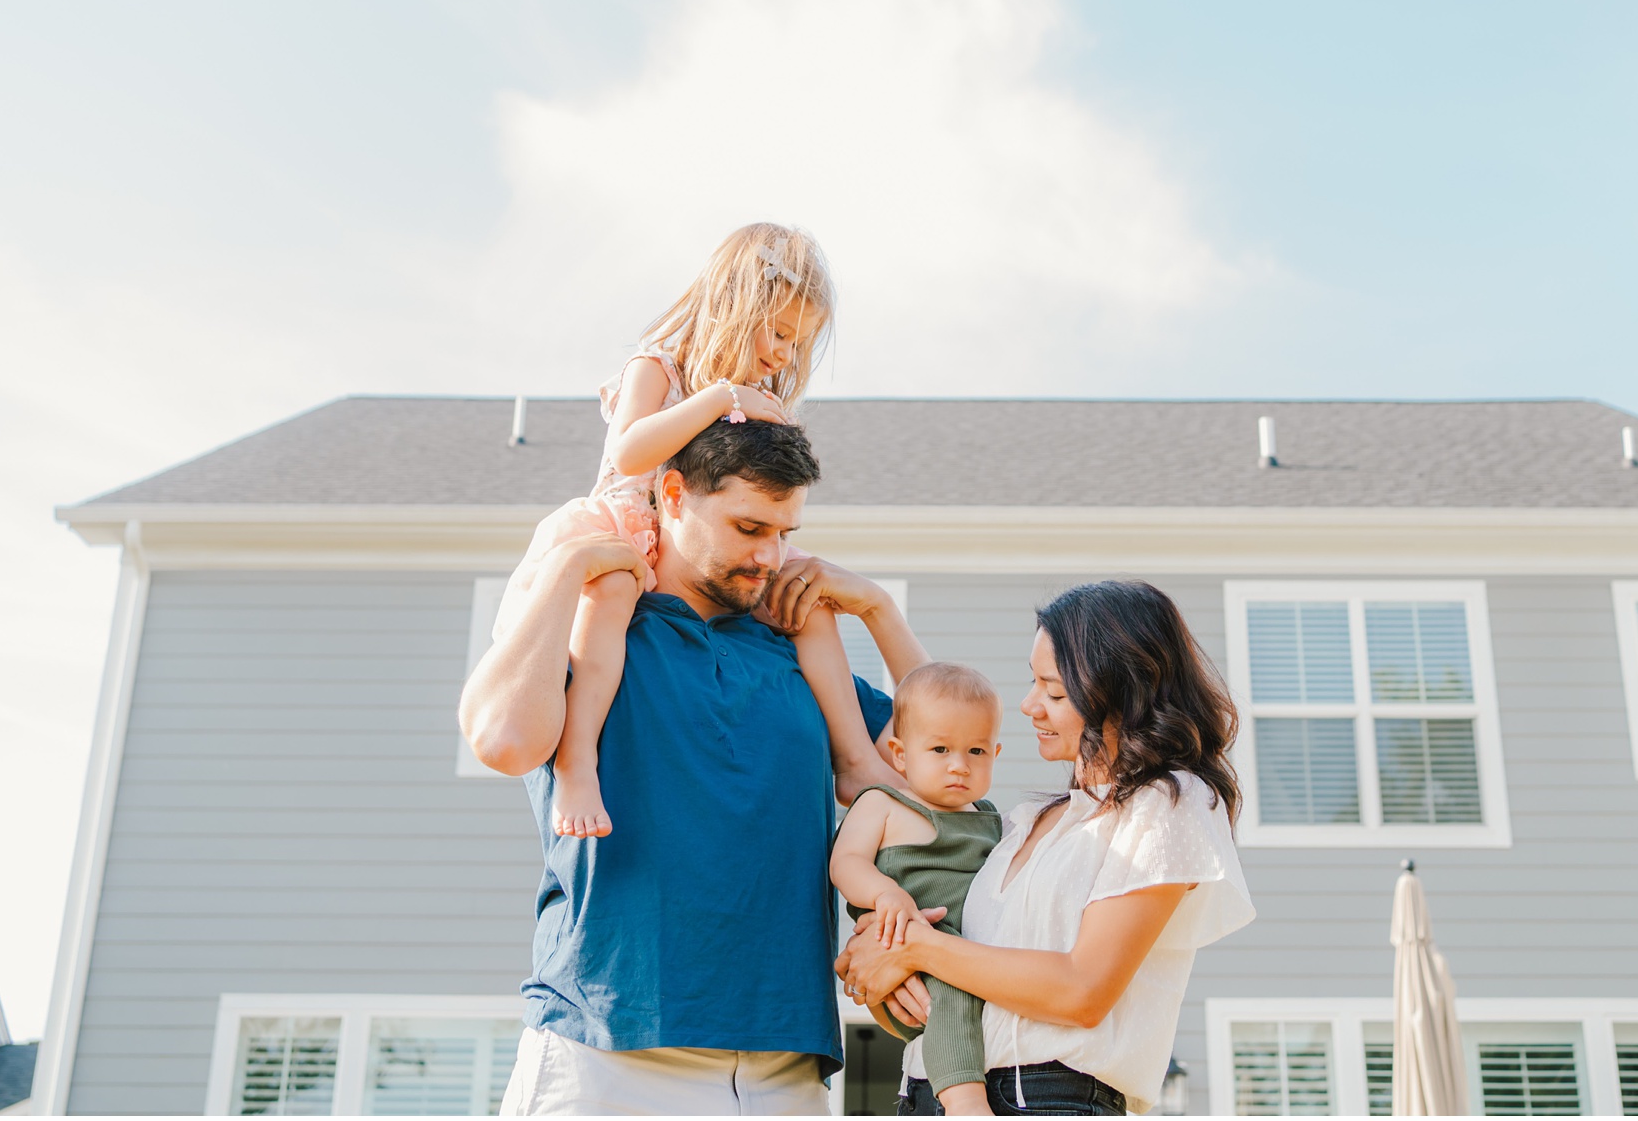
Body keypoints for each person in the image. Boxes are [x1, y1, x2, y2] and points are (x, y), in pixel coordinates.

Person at [460, 417, 927, 1115]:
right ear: (672, 495)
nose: (770, 555)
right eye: (748, 527)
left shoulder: (801, 658)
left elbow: (944, 768)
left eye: (785, 533)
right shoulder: (603, 633)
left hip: (784, 1067)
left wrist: (878, 607)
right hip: (604, 1051)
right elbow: (500, 739)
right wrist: (565, 566)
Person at [492, 221, 882, 838]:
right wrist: (719, 398)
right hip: (626, 530)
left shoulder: (754, 396)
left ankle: (857, 759)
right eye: (778, 331)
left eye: (798, 343)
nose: (783, 353)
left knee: (803, 596)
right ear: (734, 306)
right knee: (611, 599)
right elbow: (629, 453)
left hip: (696, 544)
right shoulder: (660, 368)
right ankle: (577, 759)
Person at [836, 582, 1255, 1117]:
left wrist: (913, 945)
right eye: (1033, 682)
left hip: (1047, 1097)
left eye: (1053, 691)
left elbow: (1080, 991)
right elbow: (930, 723)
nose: (1029, 704)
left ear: (1117, 695)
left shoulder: (1168, 803)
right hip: (926, 1092)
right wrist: (881, 960)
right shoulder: (1026, 819)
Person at [829, 663, 1008, 1117]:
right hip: (916, 958)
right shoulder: (883, 803)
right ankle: (965, 1103)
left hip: (976, 952)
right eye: (940, 748)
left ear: (996, 753)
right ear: (901, 754)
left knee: (973, 975)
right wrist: (885, 893)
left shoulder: (991, 819)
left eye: (976, 750)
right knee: (958, 983)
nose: (958, 765)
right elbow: (845, 862)